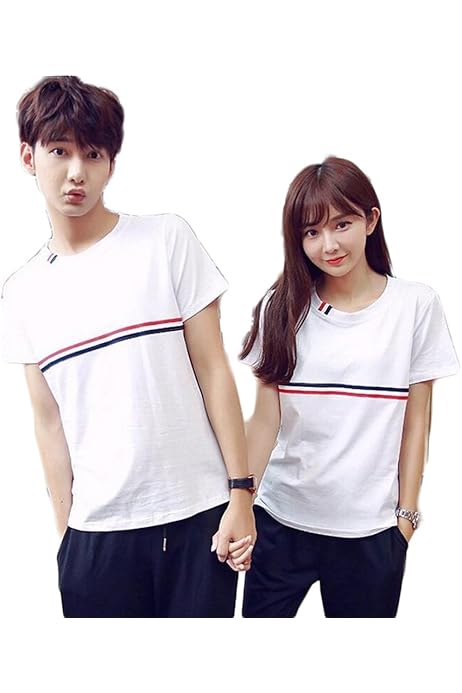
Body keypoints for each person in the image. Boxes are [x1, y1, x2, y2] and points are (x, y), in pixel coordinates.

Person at [1, 75, 256, 618]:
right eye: (59, 151)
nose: (77, 171)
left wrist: (241, 493)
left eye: (93, 154)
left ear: (111, 164)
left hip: (198, 519)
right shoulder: (21, 293)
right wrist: (66, 537)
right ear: (29, 157)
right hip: (96, 537)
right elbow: (48, 421)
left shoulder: (166, 239)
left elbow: (214, 371)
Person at [240, 156, 459, 618]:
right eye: (311, 232)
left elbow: (416, 424)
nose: (329, 245)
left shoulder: (415, 306)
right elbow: (263, 422)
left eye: (342, 224)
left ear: (370, 220)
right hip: (280, 521)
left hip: (370, 534)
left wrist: (406, 518)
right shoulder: (280, 307)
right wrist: (240, 503)